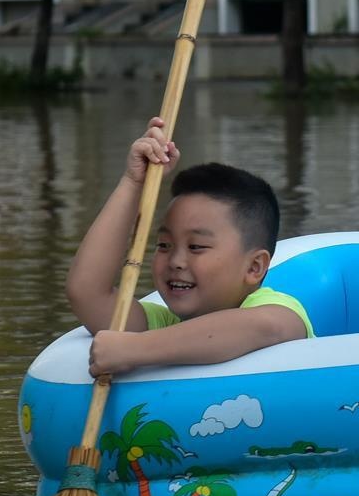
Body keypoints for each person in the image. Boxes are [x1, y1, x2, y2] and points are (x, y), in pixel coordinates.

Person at [70, 119, 312, 377]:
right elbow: (87, 292)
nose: (176, 261)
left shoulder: (277, 310)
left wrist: (136, 349)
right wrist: (134, 183)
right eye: (164, 245)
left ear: (254, 267)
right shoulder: (165, 324)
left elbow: (260, 327)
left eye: (196, 246)